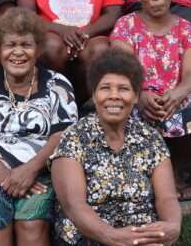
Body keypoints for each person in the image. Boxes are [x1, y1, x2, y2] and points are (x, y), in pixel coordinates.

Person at [0, 8, 78, 246]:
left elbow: (62, 135)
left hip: (41, 174)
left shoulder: (57, 84)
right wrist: (7, 177)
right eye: (10, 45)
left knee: (31, 223)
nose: (18, 52)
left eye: (26, 45)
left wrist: (30, 170)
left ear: (39, 49)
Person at [50, 48, 181, 246]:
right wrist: (113, 237)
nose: (114, 96)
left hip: (142, 237)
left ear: (136, 97)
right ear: (94, 96)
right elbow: (74, 206)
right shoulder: (74, 138)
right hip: (89, 238)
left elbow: (167, 198)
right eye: (105, 88)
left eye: (123, 89)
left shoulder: (150, 138)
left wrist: (172, 224)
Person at [111, 0, 191, 202]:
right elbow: (123, 70)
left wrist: (175, 95)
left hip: (172, 99)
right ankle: (145, 174)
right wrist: (141, 94)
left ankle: (175, 171)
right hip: (137, 97)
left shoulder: (187, 29)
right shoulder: (125, 26)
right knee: (120, 105)